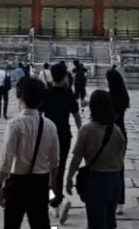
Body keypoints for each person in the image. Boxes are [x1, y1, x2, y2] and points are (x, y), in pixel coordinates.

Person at [0, 77, 59, 229]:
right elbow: (55, 161)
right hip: (40, 183)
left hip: (17, 183)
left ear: (20, 96)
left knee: (12, 224)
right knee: (41, 224)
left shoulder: (15, 125)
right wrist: (53, 185)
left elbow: (6, 160)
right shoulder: (50, 125)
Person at [66, 90, 126, 229]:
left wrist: (69, 178)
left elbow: (76, 158)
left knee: (95, 223)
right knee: (109, 221)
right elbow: (120, 156)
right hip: (115, 181)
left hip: (97, 181)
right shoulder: (117, 130)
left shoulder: (87, 130)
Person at [42, 63, 82, 223]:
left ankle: (52, 201)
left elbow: (38, 114)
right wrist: (81, 132)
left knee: (47, 169)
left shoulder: (46, 93)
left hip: (47, 136)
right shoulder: (68, 94)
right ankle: (56, 202)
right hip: (64, 135)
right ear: (64, 76)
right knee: (60, 168)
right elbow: (77, 116)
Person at [106, 67, 130, 215]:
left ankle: (109, 199)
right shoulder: (123, 95)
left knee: (106, 167)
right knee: (119, 168)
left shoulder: (108, 97)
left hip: (109, 133)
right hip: (122, 132)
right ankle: (120, 201)